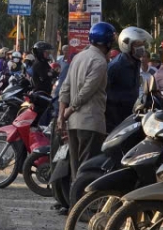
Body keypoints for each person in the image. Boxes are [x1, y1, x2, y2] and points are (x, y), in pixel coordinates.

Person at [58, 22, 115, 180]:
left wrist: (61, 115)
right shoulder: (100, 62)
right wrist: (68, 111)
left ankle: (75, 203)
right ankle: (83, 204)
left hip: (73, 123)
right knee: (88, 172)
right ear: (108, 42)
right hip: (90, 123)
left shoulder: (78, 57)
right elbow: (86, 92)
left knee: (77, 171)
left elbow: (65, 87)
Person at [106, 27, 153, 131]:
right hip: (114, 119)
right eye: (137, 45)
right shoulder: (116, 66)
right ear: (126, 45)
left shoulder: (135, 62)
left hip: (129, 115)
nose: (141, 48)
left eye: (142, 44)